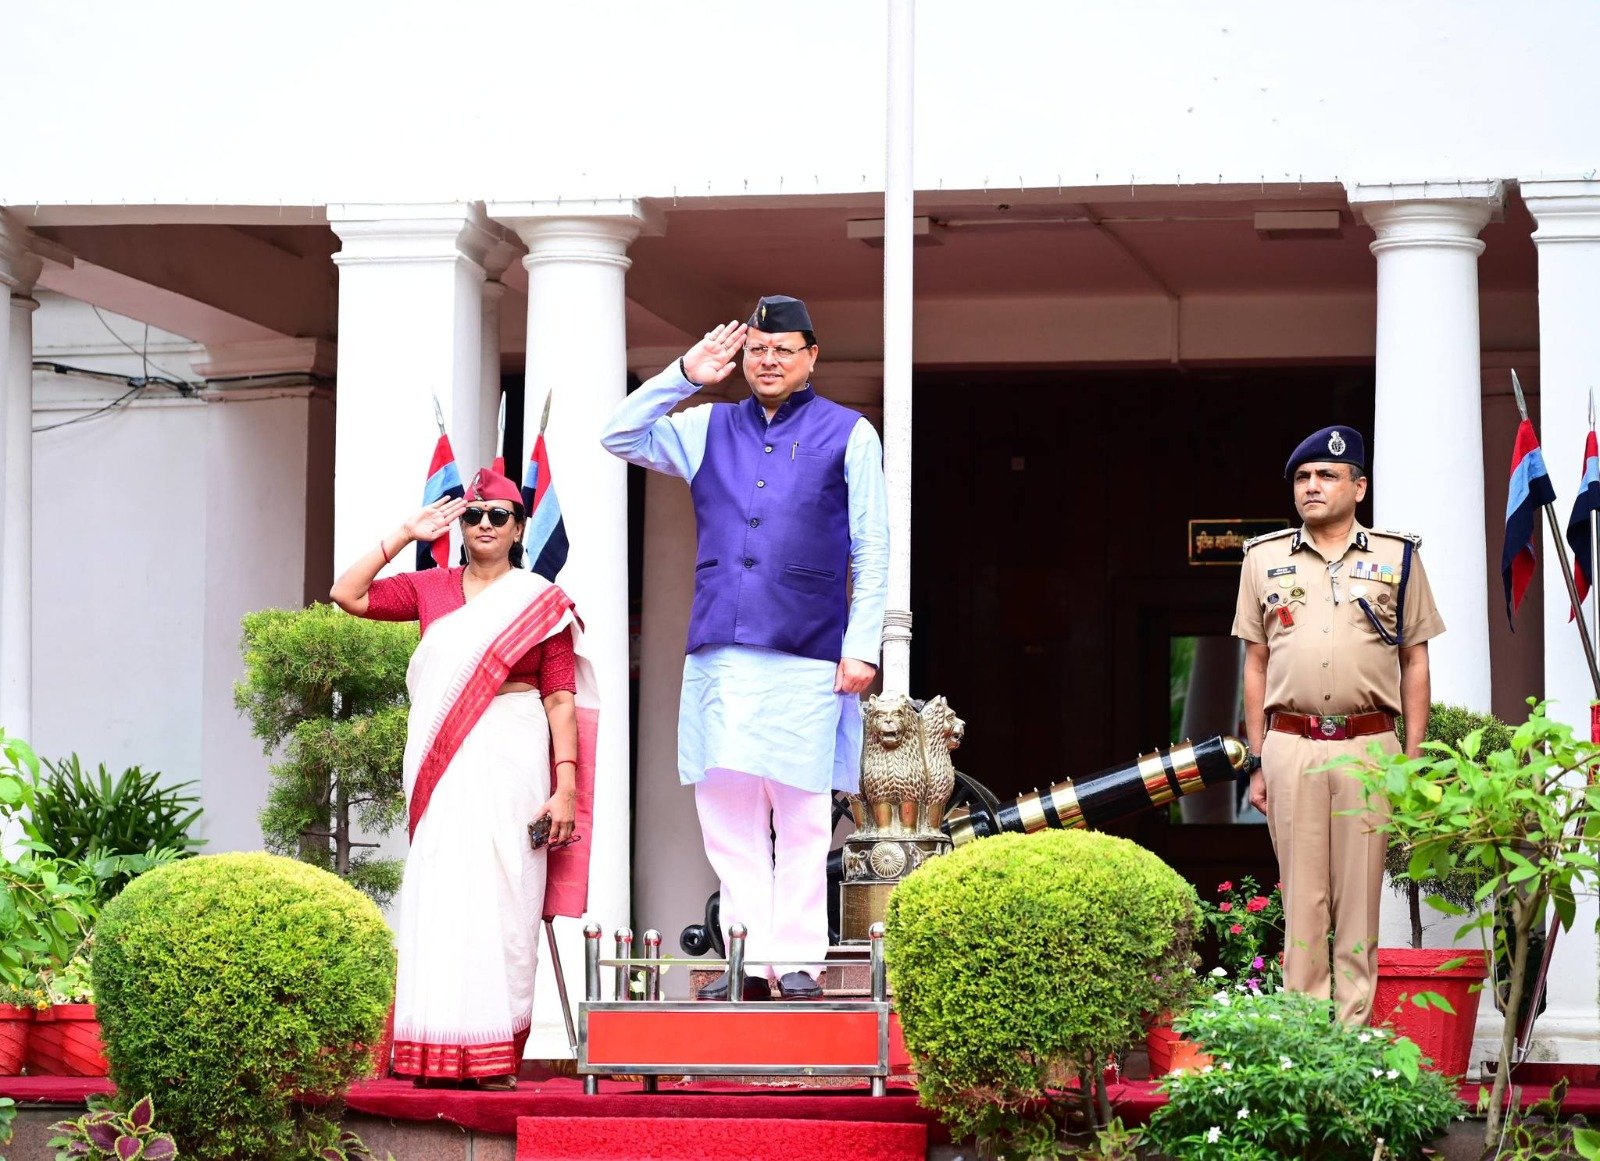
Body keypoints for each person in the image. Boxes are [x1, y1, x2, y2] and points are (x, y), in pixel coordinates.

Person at [601, 294, 889, 1001]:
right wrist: (684, 373)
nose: (768, 361)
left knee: (799, 810)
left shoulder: (849, 432)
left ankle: (796, 960)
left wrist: (863, 645)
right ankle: (743, 956)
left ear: (811, 356)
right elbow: (618, 435)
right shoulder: (706, 425)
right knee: (726, 811)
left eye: (783, 349)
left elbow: (873, 546)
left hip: (809, 650)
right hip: (721, 649)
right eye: (757, 348)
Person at [330, 467, 595, 1088]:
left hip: (513, 748)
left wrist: (565, 787)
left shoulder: (539, 601)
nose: (482, 524)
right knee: (444, 887)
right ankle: (433, 1051)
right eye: (473, 514)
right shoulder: (431, 587)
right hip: (442, 756)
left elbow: (559, 699)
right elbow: (348, 594)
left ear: (518, 527)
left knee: (507, 891)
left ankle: (493, 1050)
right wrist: (404, 532)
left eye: (496, 515)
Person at [1232, 426, 1445, 1024]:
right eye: (1302, 478)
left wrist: (1410, 760)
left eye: (1326, 475)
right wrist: (1257, 757)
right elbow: (1256, 661)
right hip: (1291, 745)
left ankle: (1350, 1048)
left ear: (1359, 486)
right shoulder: (1263, 558)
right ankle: (1305, 1047)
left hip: (1369, 746)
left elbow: (1415, 658)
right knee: (1302, 903)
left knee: (1358, 906)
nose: (1312, 486)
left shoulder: (1398, 557)